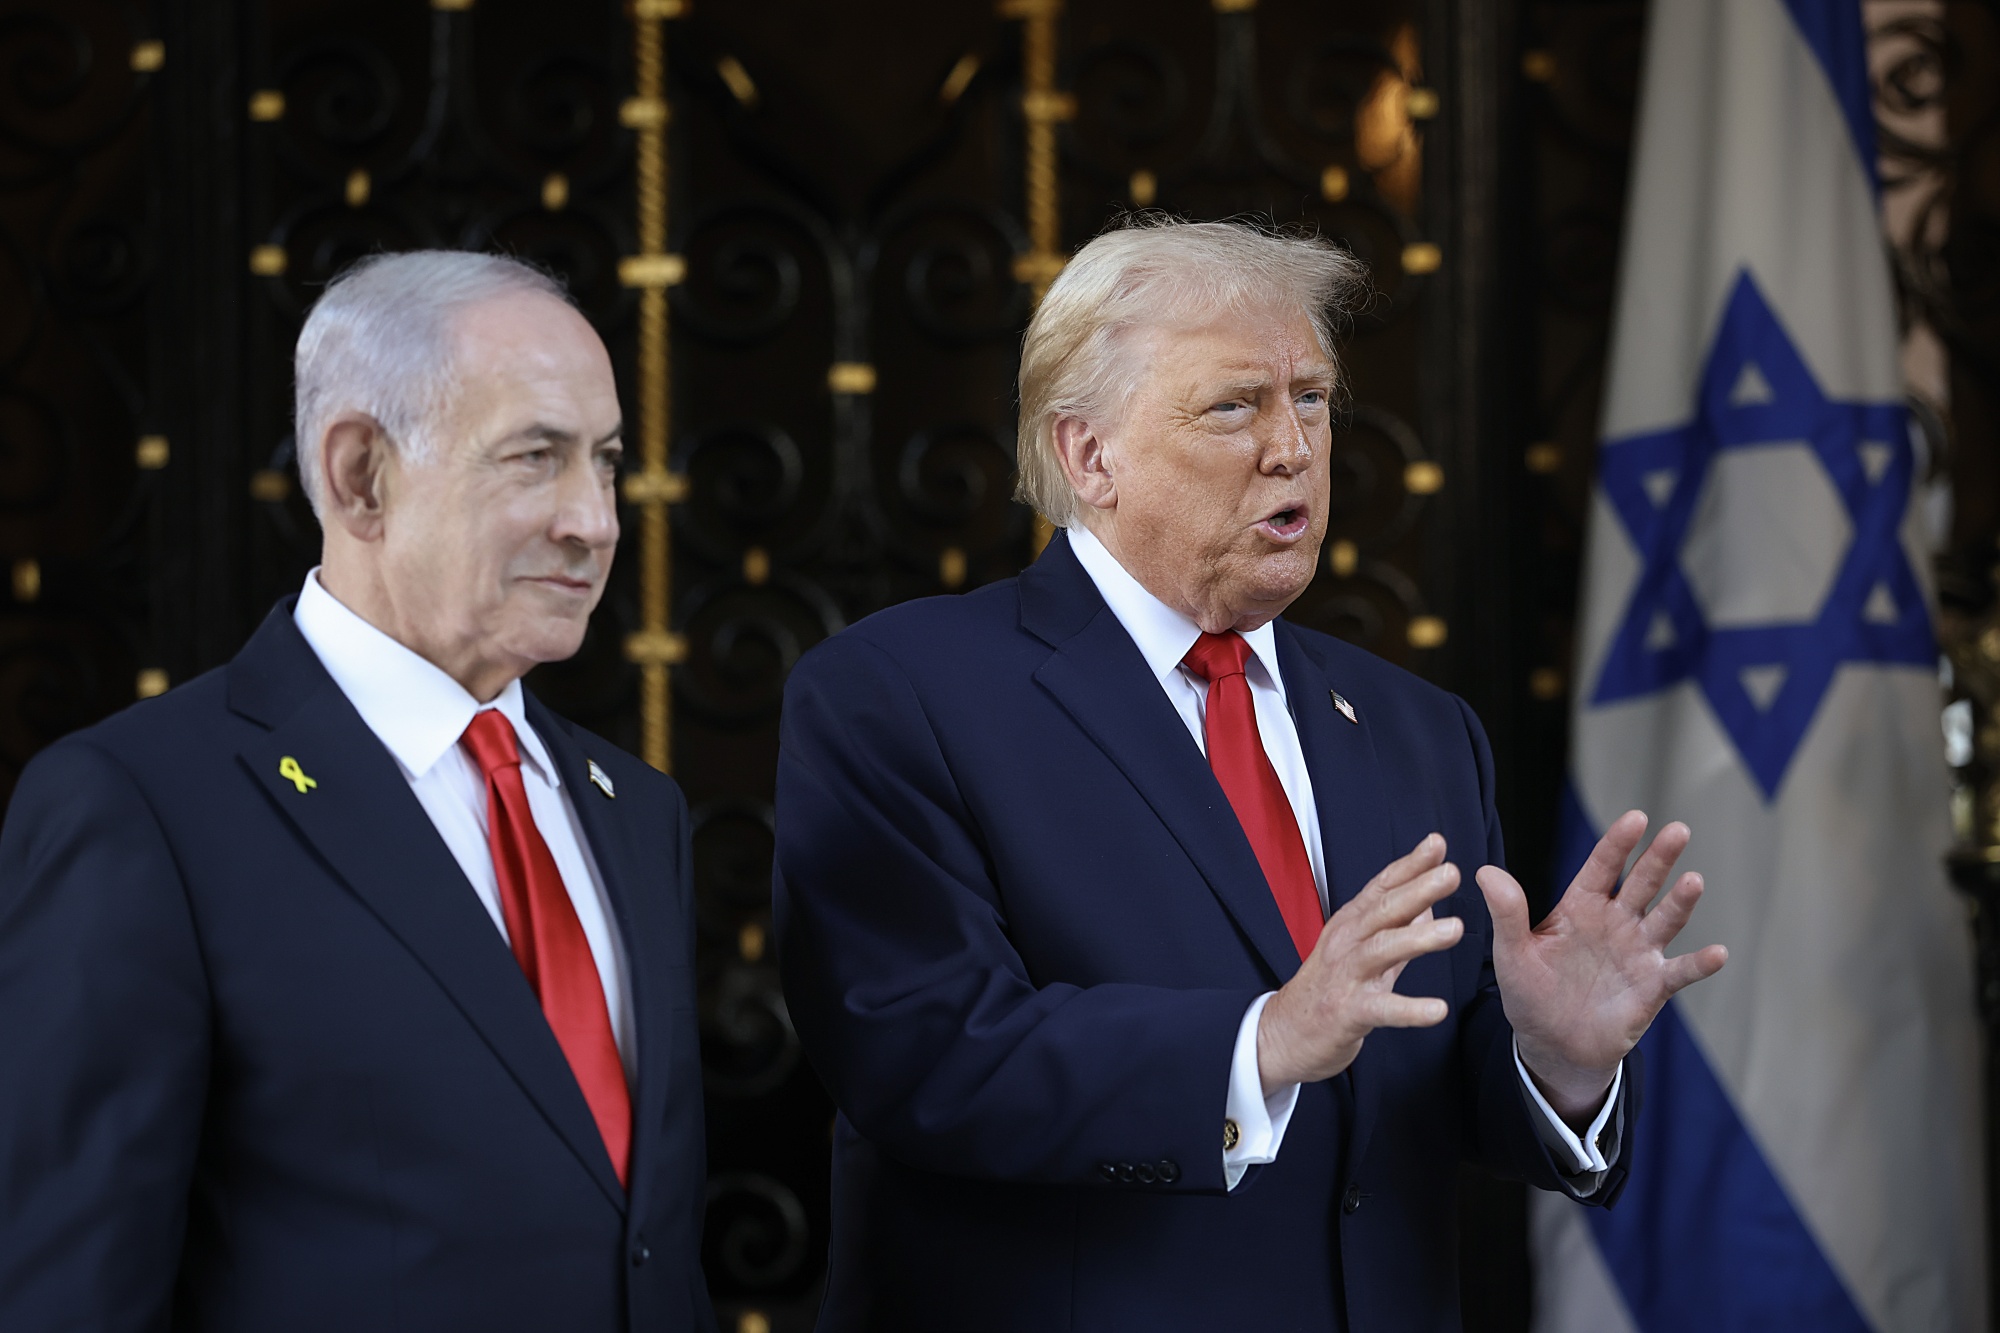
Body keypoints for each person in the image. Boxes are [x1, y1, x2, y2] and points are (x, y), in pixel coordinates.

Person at [772, 219, 1728, 1332]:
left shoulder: (1421, 729)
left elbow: (1424, 1091)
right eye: (1234, 405)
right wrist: (1260, 1043)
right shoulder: (900, 692)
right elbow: (923, 1056)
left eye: (1311, 399)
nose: (1293, 448)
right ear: (1089, 455)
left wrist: (1554, 1060)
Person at [0, 252, 713, 1332]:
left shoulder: (636, 807)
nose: (595, 520)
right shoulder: (142, 807)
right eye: (535, 457)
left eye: (605, 462)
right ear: (359, 476)